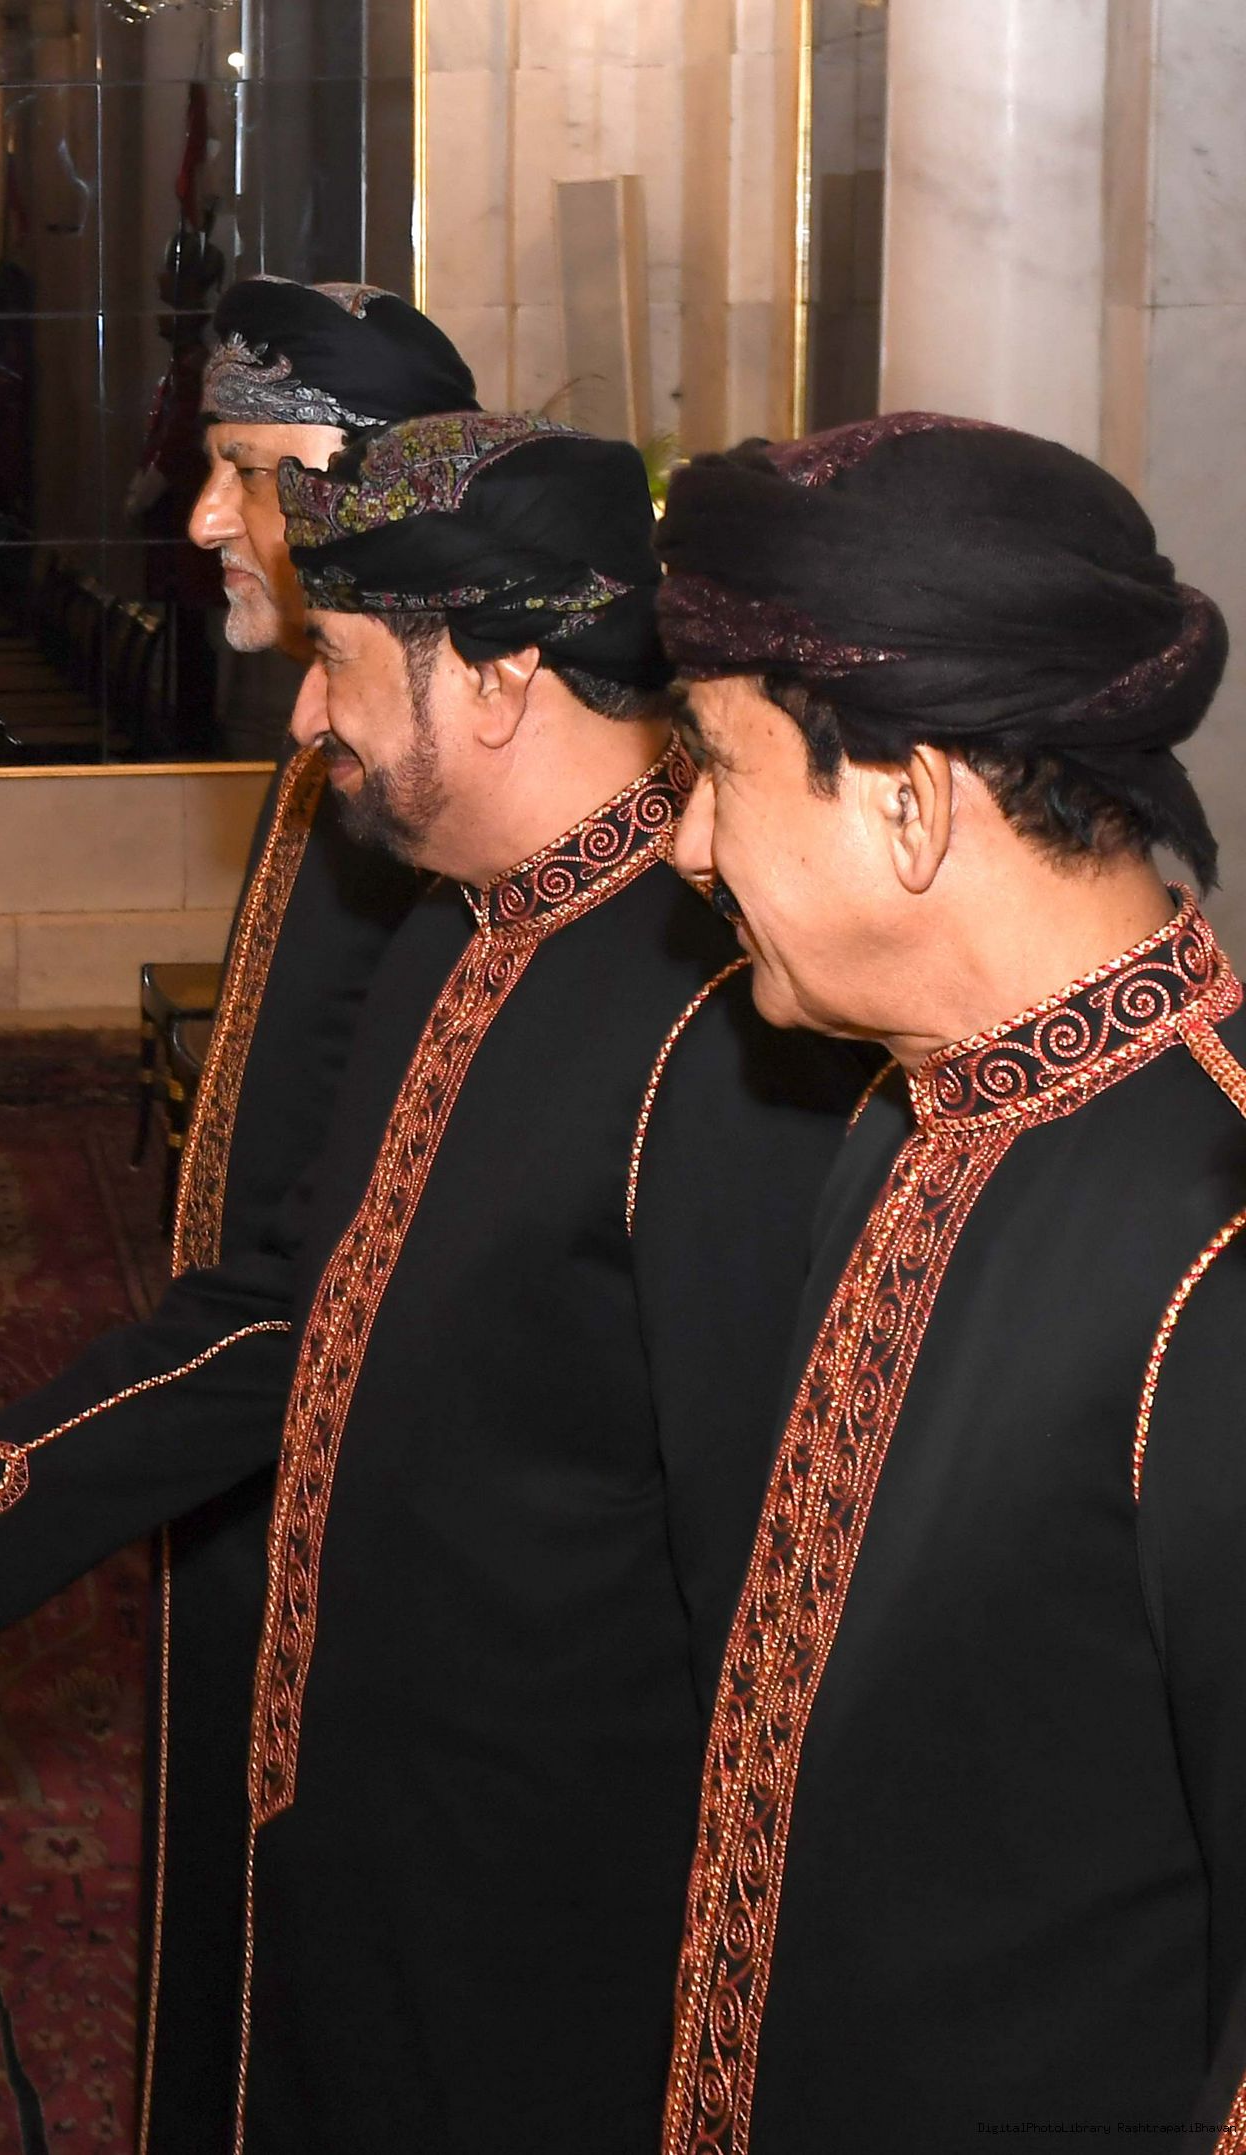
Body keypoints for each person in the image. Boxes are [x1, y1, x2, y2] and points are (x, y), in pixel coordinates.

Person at [0, 414, 872, 2151]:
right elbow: (300, 1309)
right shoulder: (457, 919)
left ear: (500, 675)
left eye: (344, 662)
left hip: (552, 1929)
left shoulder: (724, 1030)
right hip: (357, 1832)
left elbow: (777, 1607)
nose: (305, 717)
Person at [650, 414, 1246, 2149]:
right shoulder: (908, 1122)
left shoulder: (1219, 1256)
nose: (688, 845)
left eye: (717, 769)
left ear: (907, 801)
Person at [81, 275, 473, 2152]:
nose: (202, 521)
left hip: (365, 1483)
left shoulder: (454, 794)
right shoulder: (340, 731)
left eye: (245, 472)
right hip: (246, 1408)